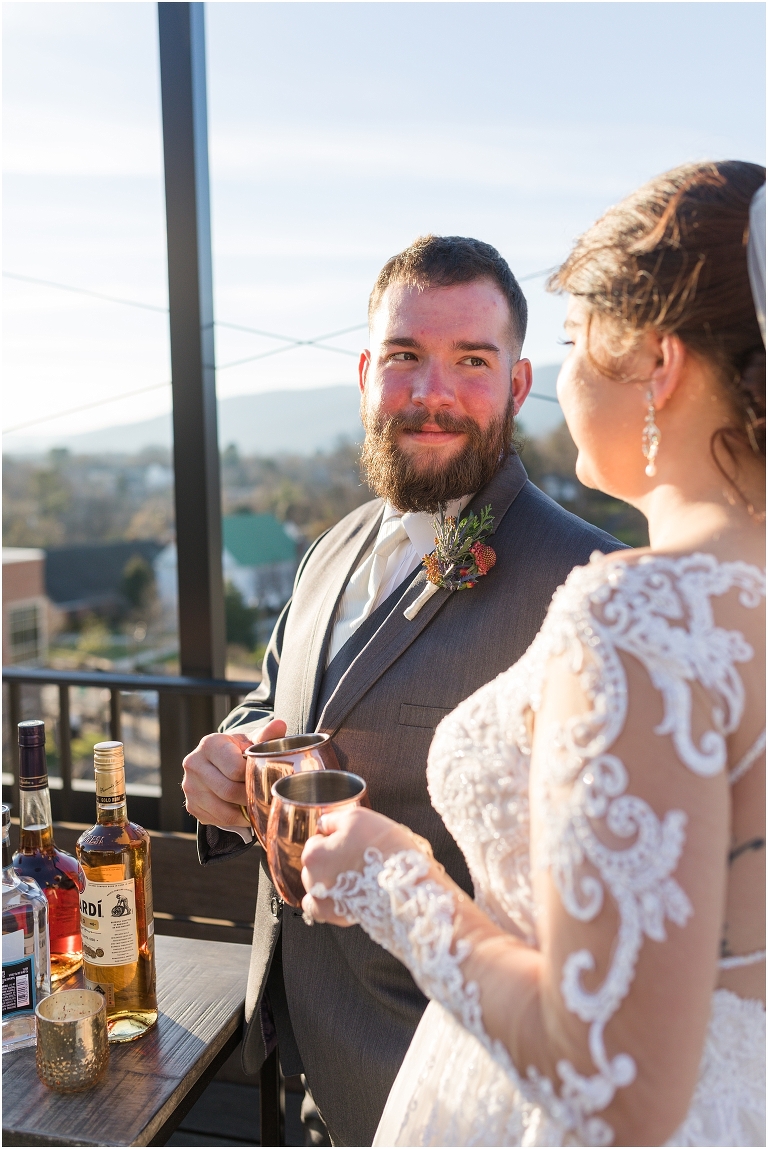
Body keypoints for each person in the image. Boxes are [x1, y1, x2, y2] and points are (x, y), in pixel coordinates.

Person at [301, 161, 766, 1147]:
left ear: (658, 367)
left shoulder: (635, 612)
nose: (559, 382)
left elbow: (618, 1085)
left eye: (568, 344)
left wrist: (394, 876)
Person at [182, 236, 625, 1146]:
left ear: (517, 383)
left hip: (460, 1096)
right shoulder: (328, 549)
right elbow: (274, 698)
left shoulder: (593, 584)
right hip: (297, 1062)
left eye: (471, 360)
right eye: (404, 357)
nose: (431, 392)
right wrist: (227, 764)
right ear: (363, 374)